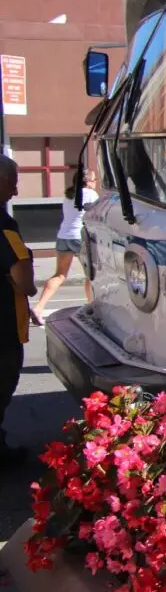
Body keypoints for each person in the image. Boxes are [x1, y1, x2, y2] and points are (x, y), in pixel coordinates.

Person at [0, 155, 36, 466]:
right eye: (12, 181)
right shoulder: (4, 224)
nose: (15, 189)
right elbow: (21, 271)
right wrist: (28, 289)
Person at [31, 170, 98, 325]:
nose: (95, 183)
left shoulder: (68, 195)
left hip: (64, 236)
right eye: (94, 180)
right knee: (91, 275)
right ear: (87, 181)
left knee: (59, 275)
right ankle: (92, 309)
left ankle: (39, 307)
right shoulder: (90, 194)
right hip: (80, 237)